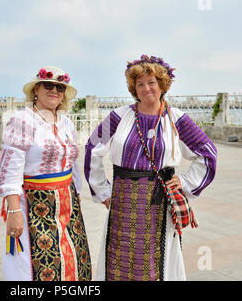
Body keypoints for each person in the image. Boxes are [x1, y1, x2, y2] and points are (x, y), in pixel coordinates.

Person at [84, 55, 217, 281]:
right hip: (123, 198)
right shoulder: (119, 116)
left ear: (162, 84)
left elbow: (207, 152)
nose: (146, 88)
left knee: (156, 256)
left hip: (159, 198)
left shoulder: (177, 119)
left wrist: (184, 182)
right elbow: (92, 147)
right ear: (134, 88)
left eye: (151, 82)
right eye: (140, 84)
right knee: (119, 252)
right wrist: (102, 190)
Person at [0, 66, 92, 281]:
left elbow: (72, 163)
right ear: (36, 90)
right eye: (48, 85)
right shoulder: (22, 121)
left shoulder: (65, 122)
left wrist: (77, 196)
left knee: (73, 258)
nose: (54, 91)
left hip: (67, 203)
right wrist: (13, 212)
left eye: (60, 87)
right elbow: (10, 169)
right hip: (34, 203)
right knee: (36, 265)